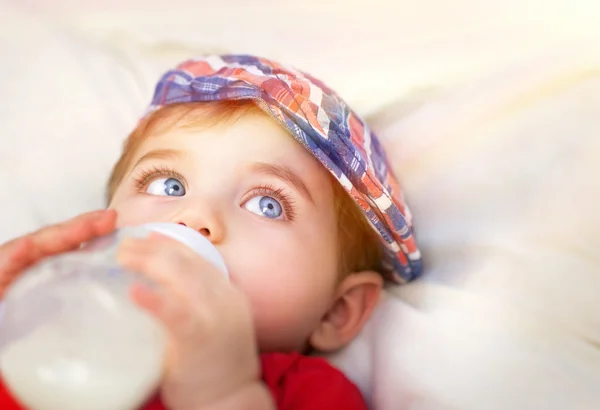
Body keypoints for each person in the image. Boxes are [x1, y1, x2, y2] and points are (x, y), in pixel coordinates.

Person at [0, 55, 422, 410]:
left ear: (337, 311)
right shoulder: (48, 334)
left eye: (267, 205)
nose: (195, 215)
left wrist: (224, 393)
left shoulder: (307, 392)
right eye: (169, 184)